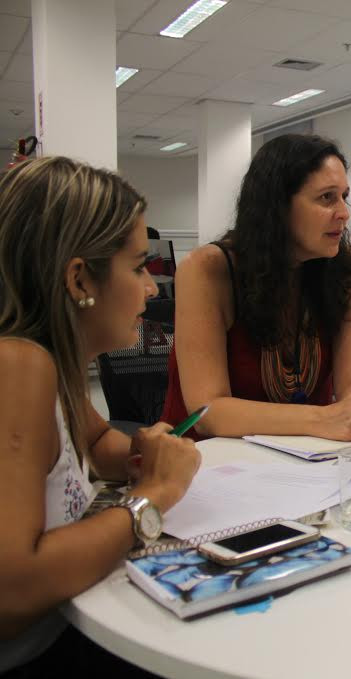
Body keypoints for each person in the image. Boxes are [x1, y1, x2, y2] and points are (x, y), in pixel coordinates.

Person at [0, 157, 200, 674]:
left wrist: (142, 452)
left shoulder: (55, 363)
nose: (153, 288)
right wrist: (152, 498)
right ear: (79, 278)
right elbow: (14, 586)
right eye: (138, 268)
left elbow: (97, 444)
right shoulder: (18, 366)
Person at [162, 134, 351, 440]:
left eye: (343, 196)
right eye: (326, 198)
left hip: (307, 463)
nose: (344, 213)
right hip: (208, 463)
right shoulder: (208, 270)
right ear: (278, 206)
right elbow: (209, 412)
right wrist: (323, 417)